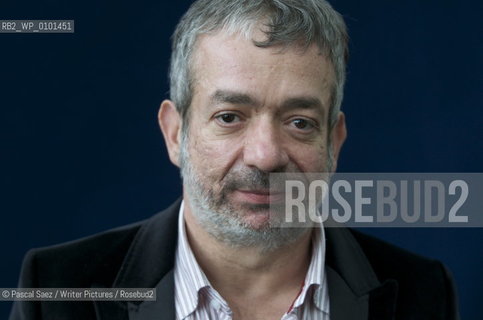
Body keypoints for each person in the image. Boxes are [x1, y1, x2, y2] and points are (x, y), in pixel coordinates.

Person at [10, 0, 459, 319]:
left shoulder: (423, 294)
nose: (265, 157)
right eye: (229, 116)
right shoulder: (54, 290)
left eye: (300, 122)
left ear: (334, 142)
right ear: (175, 133)